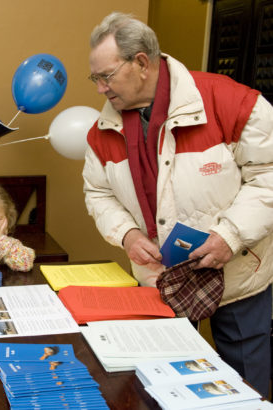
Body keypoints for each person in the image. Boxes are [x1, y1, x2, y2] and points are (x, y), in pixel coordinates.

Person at [83, 12, 273, 397]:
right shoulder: (102, 130)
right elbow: (98, 193)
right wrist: (127, 234)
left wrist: (230, 235)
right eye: (95, 78)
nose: (101, 89)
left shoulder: (230, 100)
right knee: (167, 386)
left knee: (245, 386)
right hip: (161, 280)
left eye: (106, 76)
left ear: (140, 63)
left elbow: (268, 175)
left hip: (239, 276)